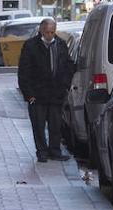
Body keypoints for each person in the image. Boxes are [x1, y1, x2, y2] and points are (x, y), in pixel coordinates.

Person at [18, 18, 75, 163]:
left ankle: (55, 151)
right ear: (41, 30)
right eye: (47, 32)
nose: (49, 35)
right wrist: (29, 95)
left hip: (56, 93)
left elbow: (68, 65)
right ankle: (42, 152)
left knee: (55, 125)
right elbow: (24, 71)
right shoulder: (31, 46)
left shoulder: (60, 45)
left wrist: (65, 85)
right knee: (38, 126)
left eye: (52, 32)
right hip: (37, 94)